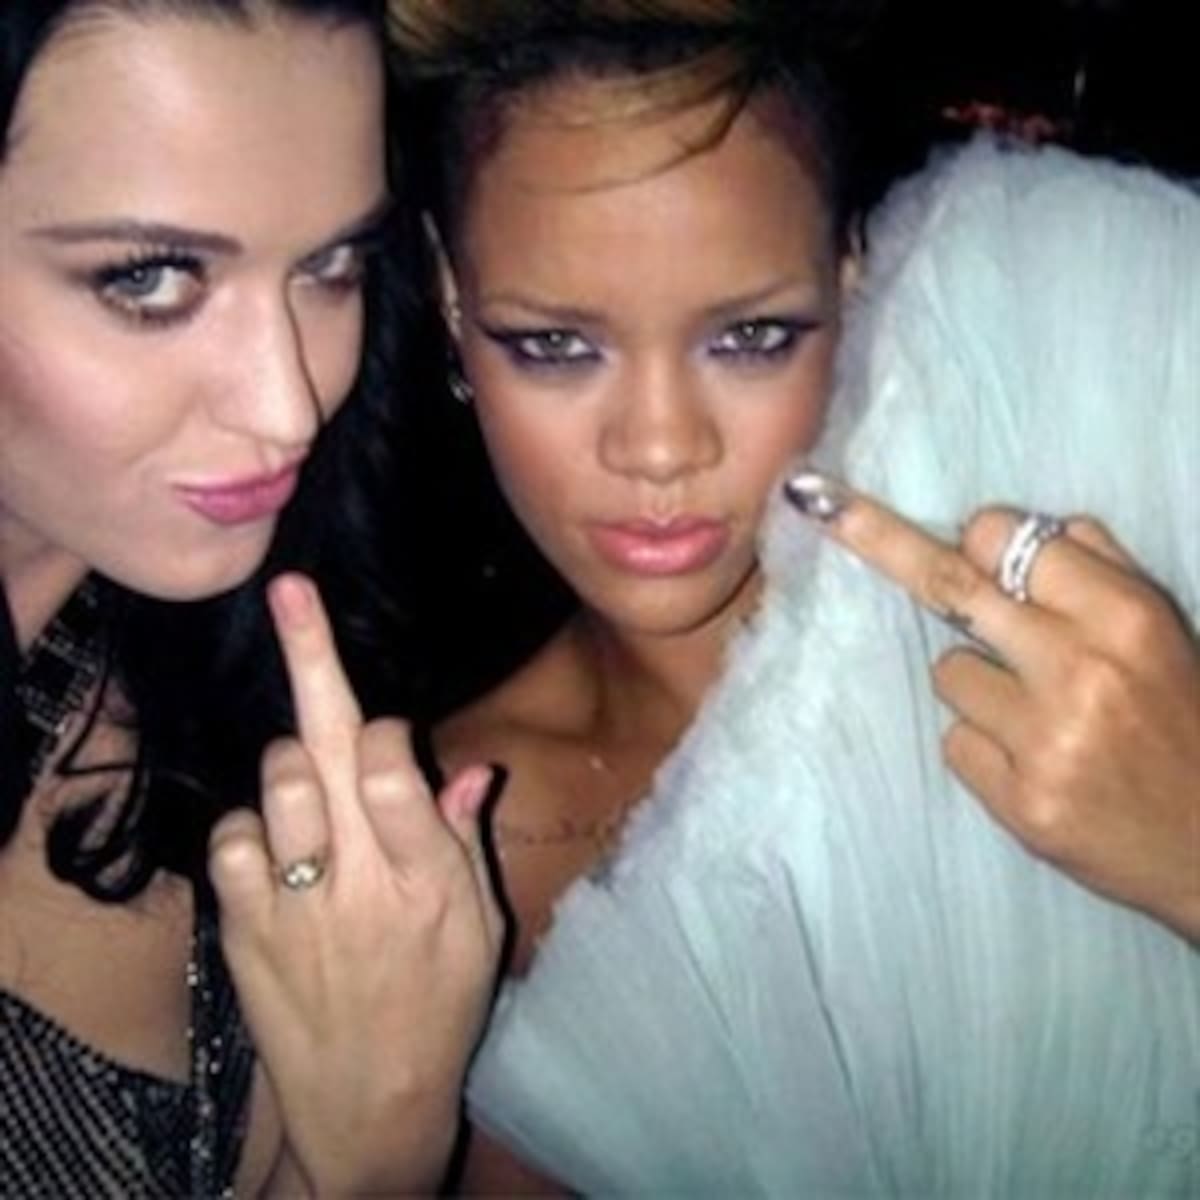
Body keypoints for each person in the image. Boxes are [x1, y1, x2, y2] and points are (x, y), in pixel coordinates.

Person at [389, 1, 1200, 1192]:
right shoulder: (434, 873)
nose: (659, 446)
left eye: (752, 336)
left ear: (850, 276)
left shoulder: (1088, 474)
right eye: (556, 346)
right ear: (452, 301)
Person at [0, 1, 501, 1194]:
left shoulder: (245, 647)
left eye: (331, 267)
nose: (288, 406)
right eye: (149, 279)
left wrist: (367, 1132)